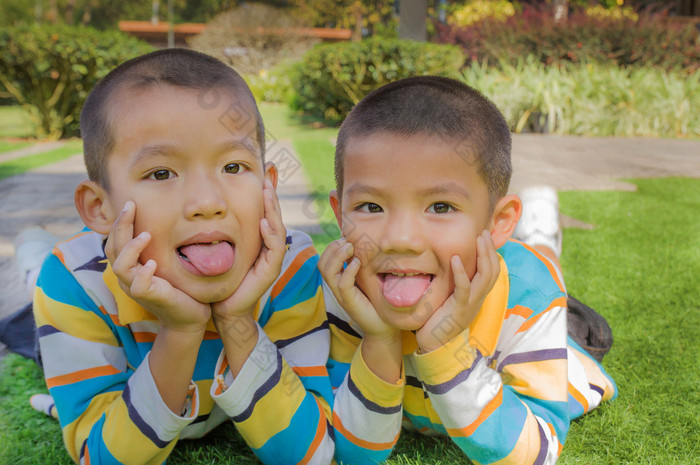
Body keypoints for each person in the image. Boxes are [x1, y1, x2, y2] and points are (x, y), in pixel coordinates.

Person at [32, 48, 334, 465]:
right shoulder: (72, 283)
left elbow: (313, 454)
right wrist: (180, 332)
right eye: (161, 174)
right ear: (101, 209)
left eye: (233, 167)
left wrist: (236, 319)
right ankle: (31, 253)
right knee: (27, 327)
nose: (207, 202)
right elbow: (99, 458)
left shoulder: (291, 265)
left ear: (268, 186)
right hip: (86, 305)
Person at [319, 76, 617, 464]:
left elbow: (535, 452)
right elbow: (350, 453)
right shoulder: (341, 287)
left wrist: (443, 345)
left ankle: (542, 238)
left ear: (498, 221)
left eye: (440, 207)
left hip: (528, 305)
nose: (400, 240)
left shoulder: (531, 302)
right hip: (451, 268)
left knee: (560, 295)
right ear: (340, 215)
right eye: (371, 207)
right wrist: (378, 339)